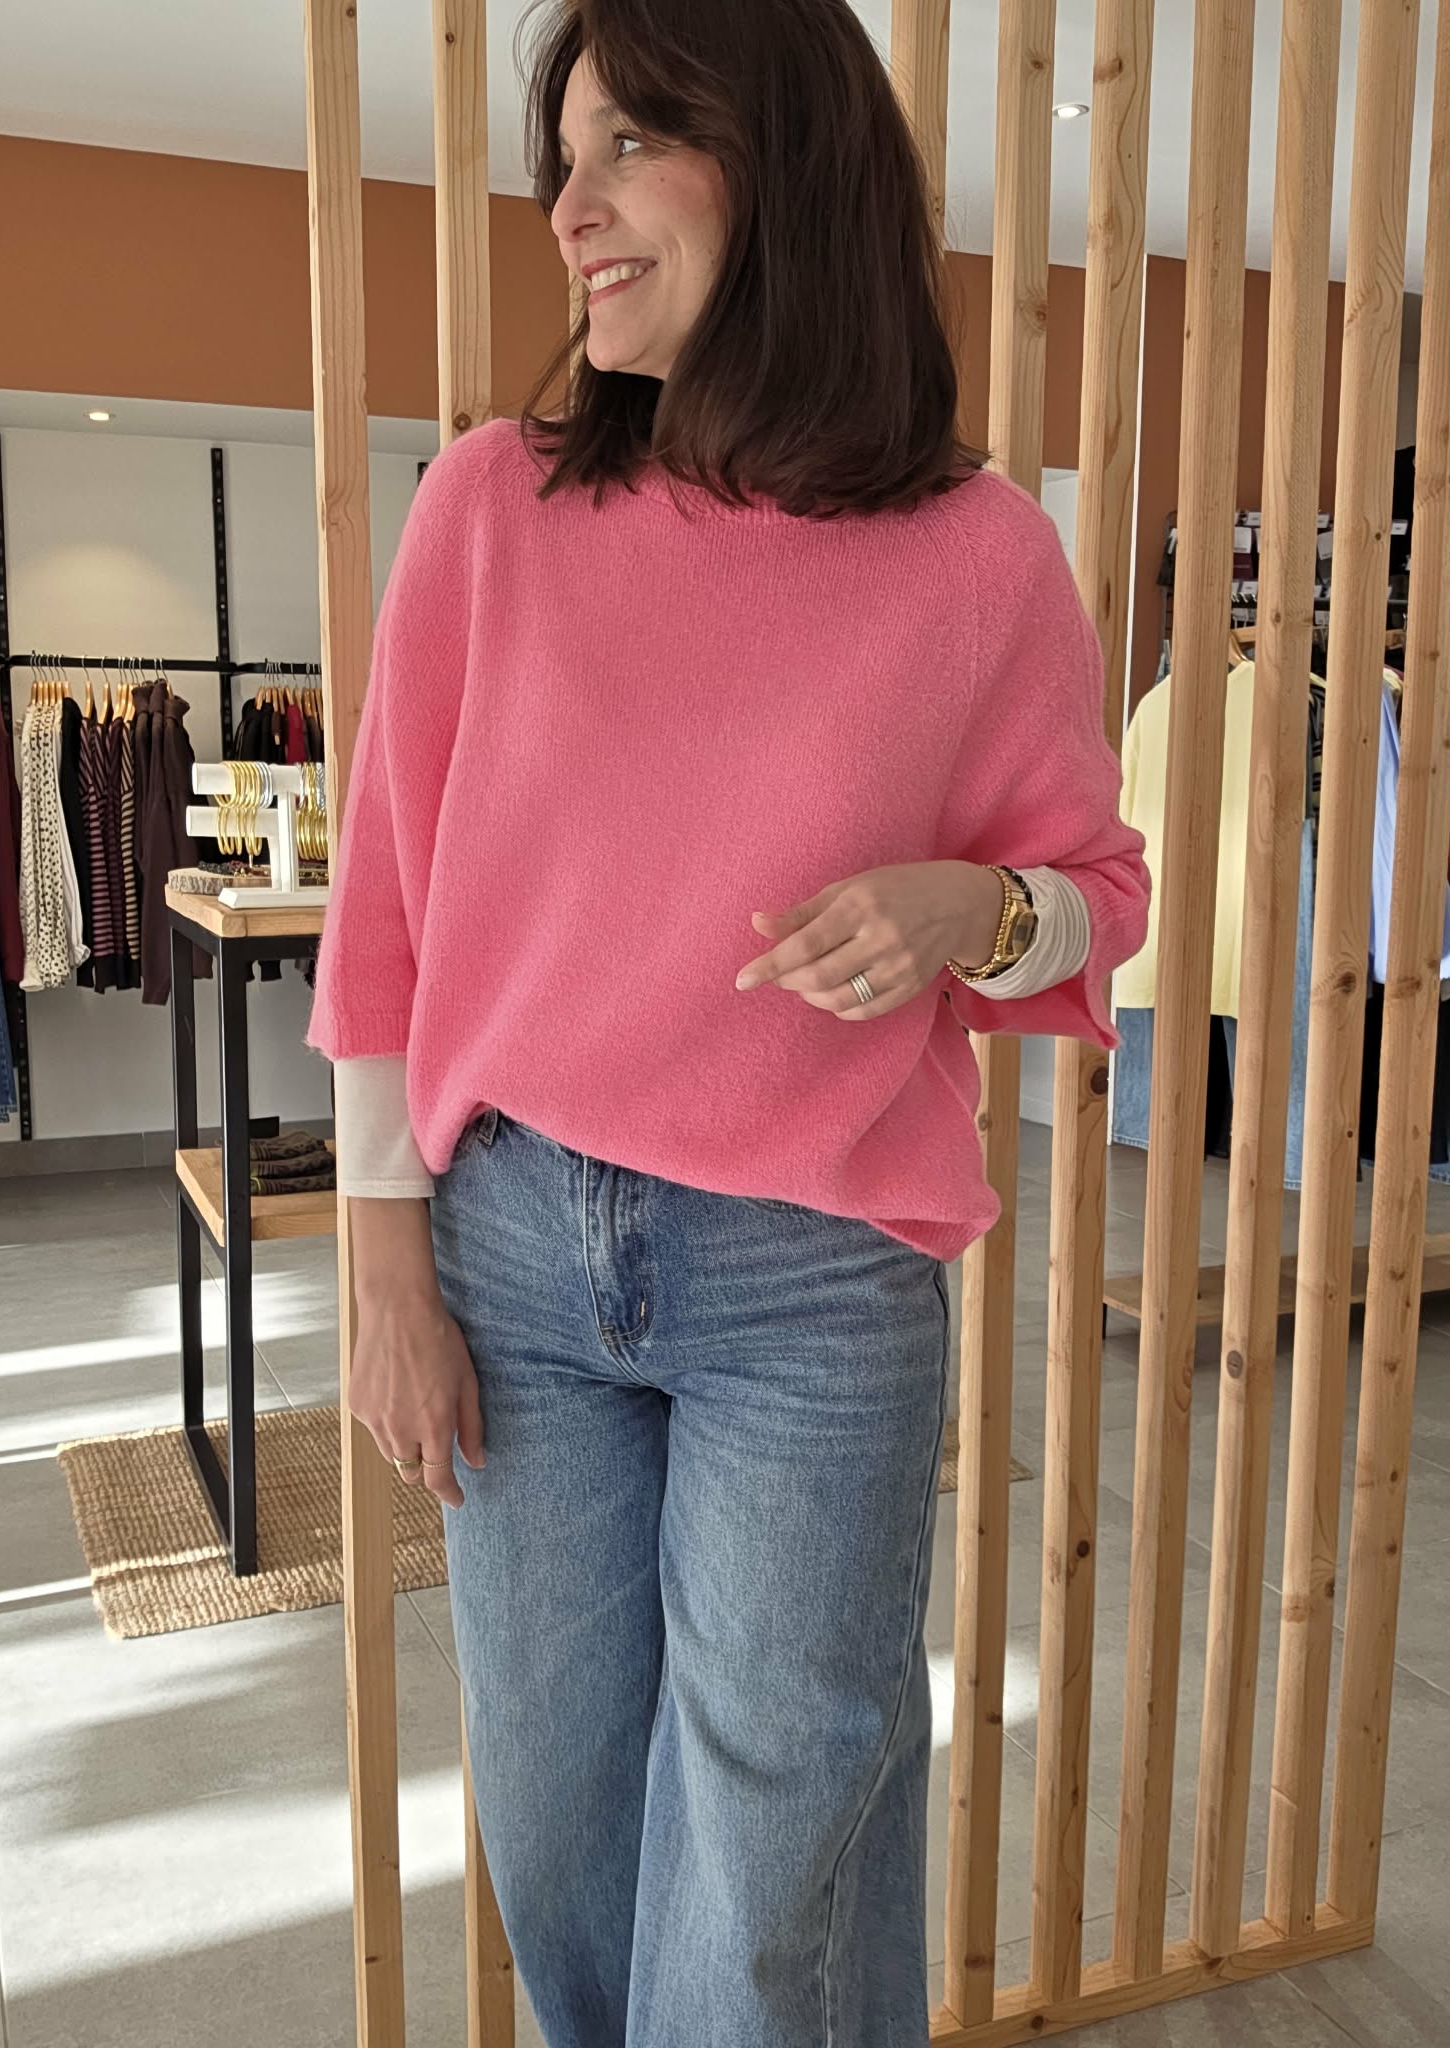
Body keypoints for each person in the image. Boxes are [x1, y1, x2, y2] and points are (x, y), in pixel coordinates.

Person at [307, 1, 1151, 2040]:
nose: (570, 211)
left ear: (776, 160)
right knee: (561, 1835)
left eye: (627, 148)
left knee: (770, 1863)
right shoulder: (490, 512)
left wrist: (975, 906)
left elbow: (1094, 898)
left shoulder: (977, 556)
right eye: (563, 163)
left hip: (812, 1279)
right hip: (512, 1252)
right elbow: (388, 903)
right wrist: (382, 1249)